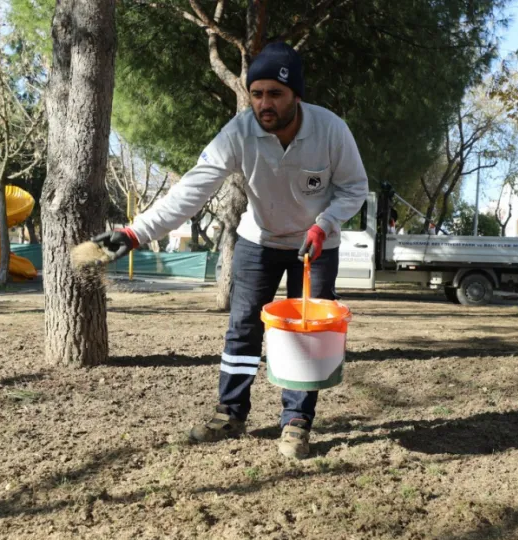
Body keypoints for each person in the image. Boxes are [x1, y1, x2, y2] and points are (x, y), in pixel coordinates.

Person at [95, 41, 368, 459]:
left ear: (297, 95)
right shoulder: (240, 133)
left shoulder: (331, 131)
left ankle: (296, 422)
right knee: (243, 328)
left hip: (315, 245)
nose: (265, 104)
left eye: (275, 94)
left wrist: (325, 224)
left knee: (306, 334)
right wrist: (135, 234)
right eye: (257, 94)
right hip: (258, 242)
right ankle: (230, 414)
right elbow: (190, 191)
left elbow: (354, 188)